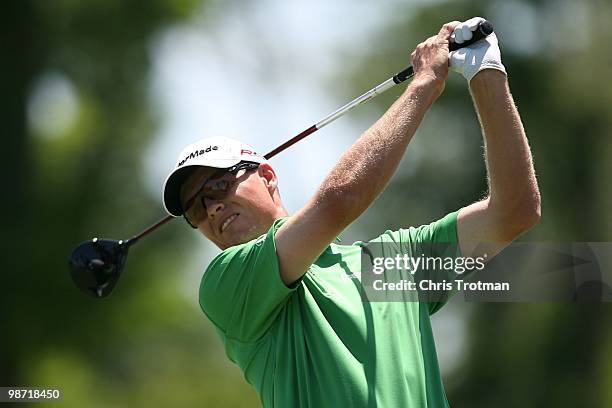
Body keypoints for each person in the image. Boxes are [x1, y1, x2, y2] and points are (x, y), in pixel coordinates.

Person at [162, 17, 540, 407]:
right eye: (196, 207)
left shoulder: (391, 266)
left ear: (268, 175)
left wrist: (486, 71)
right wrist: (424, 84)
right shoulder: (228, 285)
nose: (212, 207)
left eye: (220, 185)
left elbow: (514, 212)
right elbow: (338, 202)